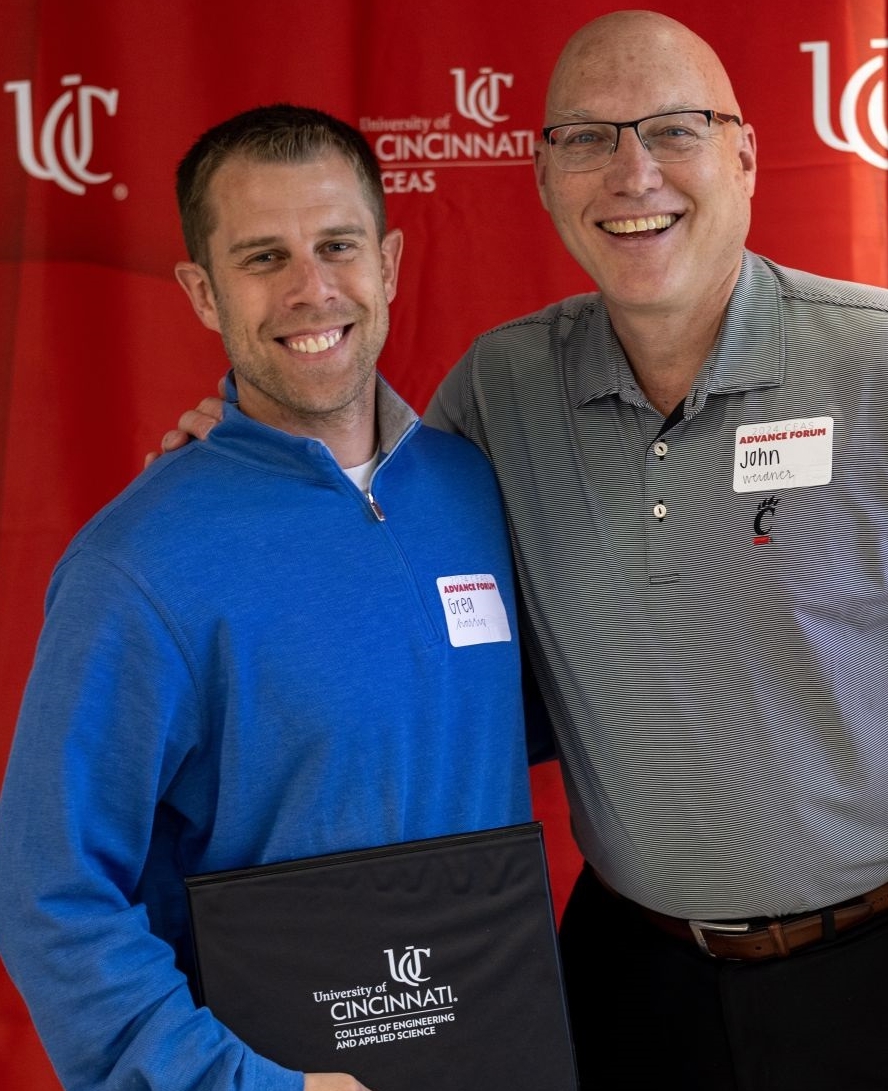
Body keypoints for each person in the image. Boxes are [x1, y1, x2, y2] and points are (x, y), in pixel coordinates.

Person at [155, 12, 888, 1091]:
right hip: (630, 986)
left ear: (743, 157)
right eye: (588, 139)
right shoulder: (497, 392)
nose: (632, 172)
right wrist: (240, 459)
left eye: (674, 130)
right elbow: (357, 511)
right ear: (545, 177)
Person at [0, 105, 534, 1091]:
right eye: (262, 257)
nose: (311, 288)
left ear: (390, 261)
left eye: (337, 245)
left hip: (497, 1050)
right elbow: (51, 891)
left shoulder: (477, 493)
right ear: (203, 292)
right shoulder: (137, 562)